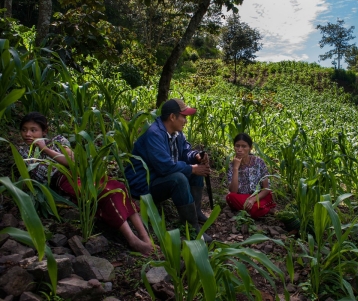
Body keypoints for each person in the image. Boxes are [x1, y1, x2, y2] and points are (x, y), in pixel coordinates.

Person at [18, 112, 154, 256]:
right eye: (24, 129)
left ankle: (145, 237)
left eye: (33, 130)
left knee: (119, 188)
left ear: (44, 131)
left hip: (82, 173)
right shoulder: (23, 152)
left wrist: (45, 148)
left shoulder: (57, 140)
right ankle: (132, 239)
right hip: (63, 180)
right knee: (106, 195)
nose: (28, 134)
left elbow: (72, 161)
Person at [125, 98, 212, 242]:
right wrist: (192, 168)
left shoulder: (177, 134)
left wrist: (195, 157)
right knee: (180, 178)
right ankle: (192, 227)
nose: (185, 120)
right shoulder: (154, 135)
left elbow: (185, 152)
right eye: (183, 116)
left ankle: (195, 213)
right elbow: (165, 167)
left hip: (158, 178)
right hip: (143, 186)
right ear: (172, 117)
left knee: (197, 170)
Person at [226, 133, 276, 218]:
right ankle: (262, 210)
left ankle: (252, 211)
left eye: (244, 146)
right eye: (237, 146)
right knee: (230, 197)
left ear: (250, 148)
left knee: (267, 195)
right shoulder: (232, 165)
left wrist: (253, 199)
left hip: (259, 196)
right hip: (243, 198)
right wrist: (235, 168)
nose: (240, 149)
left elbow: (266, 188)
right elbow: (233, 191)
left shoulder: (259, 162)